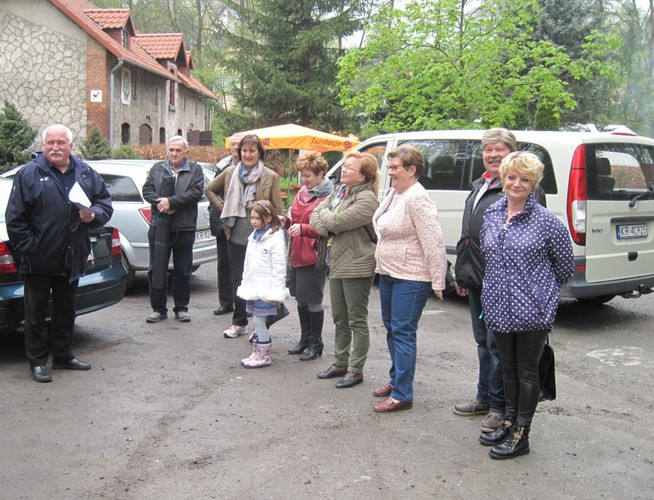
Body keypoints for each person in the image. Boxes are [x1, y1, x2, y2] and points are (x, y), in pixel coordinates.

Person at [478, 151, 574, 459]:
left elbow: (564, 265)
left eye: (525, 179)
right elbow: (488, 257)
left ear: (534, 184)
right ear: (503, 178)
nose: (516, 183)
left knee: (527, 372)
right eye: (511, 177)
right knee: (507, 369)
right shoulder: (492, 213)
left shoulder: (546, 222)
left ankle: (522, 433)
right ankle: (508, 421)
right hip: (497, 305)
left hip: (532, 309)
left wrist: (539, 291)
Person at [453, 128, 546, 433]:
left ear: (512, 153)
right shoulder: (481, 184)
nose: (492, 155)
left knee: (498, 349)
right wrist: (462, 273)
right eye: (488, 150)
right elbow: (469, 232)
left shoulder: (524, 190)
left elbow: (544, 250)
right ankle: (484, 396)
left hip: (503, 284)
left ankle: (500, 406)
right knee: (483, 343)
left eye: (499, 149)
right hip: (476, 277)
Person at [5, 124, 113, 383]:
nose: (55, 147)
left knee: (66, 310)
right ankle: (37, 362)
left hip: (72, 255)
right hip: (38, 259)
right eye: (50, 143)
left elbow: (104, 204)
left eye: (61, 143)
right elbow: (15, 219)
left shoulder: (86, 173)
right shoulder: (29, 174)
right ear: (44, 147)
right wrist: (30, 248)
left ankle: (63, 355)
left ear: (70, 146)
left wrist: (94, 215)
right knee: (36, 313)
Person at [371, 145, 448, 412]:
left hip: (412, 277)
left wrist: (438, 280)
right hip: (390, 272)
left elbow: (434, 241)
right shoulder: (394, 192)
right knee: (392, 328)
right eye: (389, 166)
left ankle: (403, 393)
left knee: (403, 332)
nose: (390, 172)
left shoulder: (417, 198)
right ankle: (396, 380)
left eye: (395, 167)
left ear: (412, 170)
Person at [310, 151, 378, 389]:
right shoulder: (340, 192)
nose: (344, 170)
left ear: (363, 177)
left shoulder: (367, 199)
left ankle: (356, 369)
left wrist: (326, 220)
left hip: (357, 264)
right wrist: (327, 221)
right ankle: (340, 362)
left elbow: (335, 222)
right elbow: (314, 216)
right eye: (345, 166)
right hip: (337, 262)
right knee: (340, 318)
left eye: (350, 167)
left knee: (356, 319)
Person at [204, 134, 282, 338]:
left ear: (259, 153)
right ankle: (239, 322)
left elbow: (277, 209)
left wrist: (275, 231)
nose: (248, 154)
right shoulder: (230, 172)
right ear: (239, 153)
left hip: (260, 238)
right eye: (244, 151)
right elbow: (209, 189)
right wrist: (224, 208)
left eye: (252, 151)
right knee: (238, 279)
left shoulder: (270, 176)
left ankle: (259, 324)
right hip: (235, 234)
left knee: (259, 280)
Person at [143, 135, 205, 323]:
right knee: (156, 269)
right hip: (159, 226)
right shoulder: (157, 168)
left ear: (186, 152)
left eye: (178, 150)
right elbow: (147, 191)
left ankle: (181, 308)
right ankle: (158, 308)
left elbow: (195, 193)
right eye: (171, 150)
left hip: (184, 227)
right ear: (167, 151)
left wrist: (172, 203)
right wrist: (161, 203)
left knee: (183, 270)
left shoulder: (195, 170)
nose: (174, 153)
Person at [286, 152, 334, 361]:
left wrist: (303, 228)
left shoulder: (330, 196)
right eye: (302, 176)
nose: (304, 181)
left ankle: (316, 342)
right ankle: (305, 339)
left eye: (308, 176)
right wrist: (284, 221)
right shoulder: (302, 192)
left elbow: (328, 227)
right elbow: (294, 217)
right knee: (300, 298)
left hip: (315, 253)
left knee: (313, 299)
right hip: (297, 250)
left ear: (321, 174)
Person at [237, 201, 290, 368]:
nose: (253, 221)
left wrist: (276, 292)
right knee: (256, 320)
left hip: (266, 289)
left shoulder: (275, 239)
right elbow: (248, 263)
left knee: (260, 321)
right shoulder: (253, 236)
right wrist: (245, 282)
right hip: (253, 287)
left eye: (256, 218)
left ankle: (264, 355)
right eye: (251, 218)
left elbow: (280, 268)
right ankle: (257, 352)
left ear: (268, 218)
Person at [211, 133, 242, 316]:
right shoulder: (222, 166)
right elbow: (211, 191)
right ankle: (225, 302)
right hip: (224, 221)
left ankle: (243, 303)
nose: (235, 147)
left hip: (244, 223)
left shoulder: (253, 167)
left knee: (242, 264)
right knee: (223, 263)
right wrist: (222, 209)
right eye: (233, 144)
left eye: (239, 144)